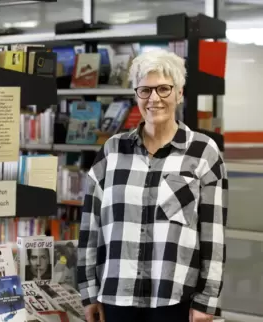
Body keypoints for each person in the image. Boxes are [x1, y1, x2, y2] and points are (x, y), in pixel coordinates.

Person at [77, 49, 228, 322]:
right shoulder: (112, 152)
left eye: (163, 89)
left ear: (179, 93)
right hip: (116, 298)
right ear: (136, 95)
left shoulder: (203, 153)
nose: (154, 98)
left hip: (175, 299)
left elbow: (213, 236)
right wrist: (88, 292)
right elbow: (90, 228)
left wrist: (207, 300)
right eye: (145, 90)